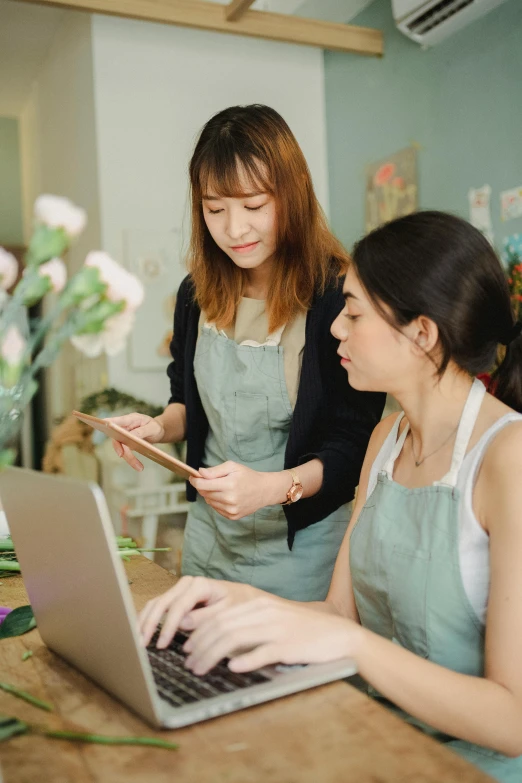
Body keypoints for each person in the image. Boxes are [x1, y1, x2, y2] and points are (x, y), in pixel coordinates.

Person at [138, 211, 522, 782]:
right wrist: (221, 601)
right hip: (375, 743)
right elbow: (339, 612)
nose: (336, 328)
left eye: (354, 312)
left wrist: (352, 643)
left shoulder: (507, 456)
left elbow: (511, 721)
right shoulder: (383, 442)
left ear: (422, 333)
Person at [110, 104, 384, 601]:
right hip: (208, 539)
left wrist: (272, 488)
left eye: (254, 206)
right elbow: (188, 405)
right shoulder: (197, 294)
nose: (234, 229)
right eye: (215, 209)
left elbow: (353, 443)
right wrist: (157, 428)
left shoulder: (334, 297)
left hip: (301, 548)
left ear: (292, 195)